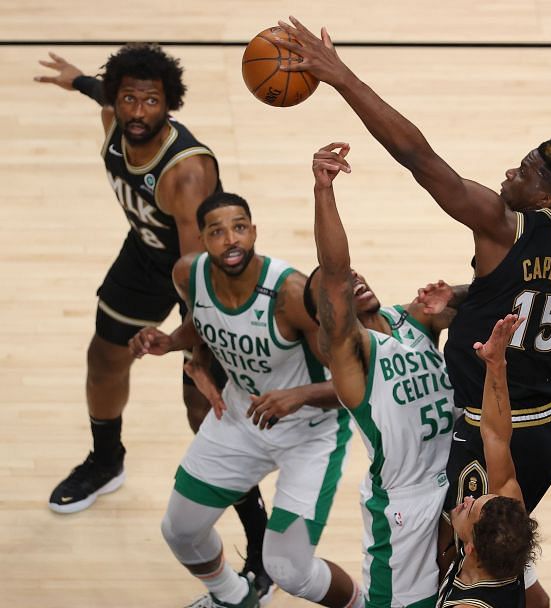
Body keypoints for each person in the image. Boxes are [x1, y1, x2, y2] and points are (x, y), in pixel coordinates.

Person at [268, 19, 551, 607]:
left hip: (493, 427)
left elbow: (418, 158)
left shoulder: (502, 225)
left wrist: (340, 76)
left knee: (455, 556)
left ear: (545, 198)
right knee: (504, 555)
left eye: (526, 171)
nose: (511, 171)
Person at [34, 45, 272, 597]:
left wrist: (194, 353)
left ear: (171, 105)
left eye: (151, 101)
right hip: (145, 257)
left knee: (204, 413)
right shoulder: (112, 116)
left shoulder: (185, 172)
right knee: (104, 357)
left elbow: (198, 272)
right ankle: (105, 459)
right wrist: (75, 80)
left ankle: (260, 548)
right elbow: (102, 94)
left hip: (210, 279)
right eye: (128, 98)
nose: (138, 110)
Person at [130, 191, 360, 608]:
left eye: (239, 228)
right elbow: (199, 322)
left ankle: (366, 604)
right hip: (240, 419)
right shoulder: (188, 274)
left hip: (310, 435)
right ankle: (234, 598)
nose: (230, 239)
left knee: (289, 569)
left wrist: (300, 395)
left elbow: (355, 384)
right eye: (216, 232)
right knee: (180, 530)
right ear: (201, 240)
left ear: (254, 231)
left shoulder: (290, 295)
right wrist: (171, 345)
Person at [308, 142, 456, 608]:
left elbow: (488, 297)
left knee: (529, 599)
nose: (353, 278)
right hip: (405, 506)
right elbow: (333, 272)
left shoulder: (414, 318)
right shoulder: (354, 355)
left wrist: (457, 294)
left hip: (461, 480)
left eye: (356, 272)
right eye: (341, 285)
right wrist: (324, 191)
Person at [437, 313, 538, 608]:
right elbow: (495, 434)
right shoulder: (500, 545)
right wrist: (496, 365)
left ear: (470, 549)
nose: (468, 499)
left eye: (471, 509)